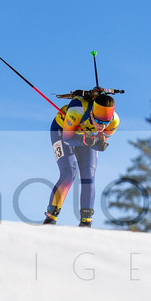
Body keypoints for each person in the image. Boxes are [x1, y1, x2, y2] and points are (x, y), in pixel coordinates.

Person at [43, 88, 119, 227]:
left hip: (86, 135)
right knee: (69, 173)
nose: (102, 126)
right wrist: (86, 140)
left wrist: (100, 144)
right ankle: (51, 217)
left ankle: (86, 221)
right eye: (98, 121)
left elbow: (100, 140)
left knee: (88, 175)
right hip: (62, 131)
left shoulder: (114, 122)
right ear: (91, 114)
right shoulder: (76, 110)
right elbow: (67, 139)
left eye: (106, 122)